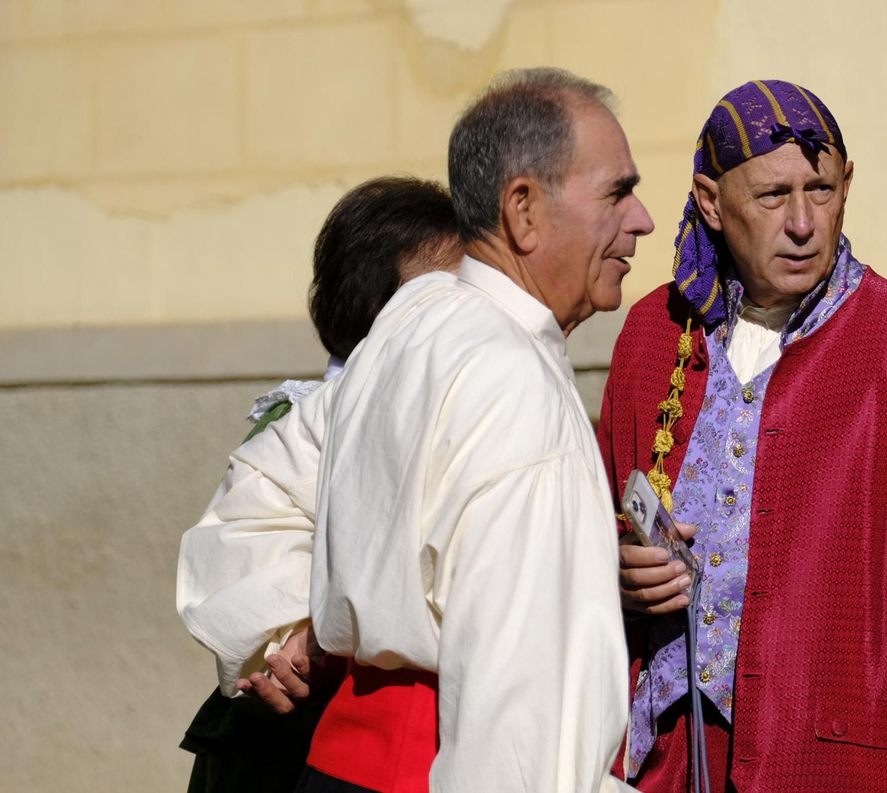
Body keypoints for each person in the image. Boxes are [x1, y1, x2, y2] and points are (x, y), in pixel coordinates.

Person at [178, 67, 653, 793]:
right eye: (617, 191)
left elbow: (273, 474)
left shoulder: (415, 318)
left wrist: (274, 622)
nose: (643, 219)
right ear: (523, 209)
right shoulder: (509, 380)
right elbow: (518, 707)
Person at [597, 80, 887, 792]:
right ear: (711, 202)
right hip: (664, 761)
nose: (804, 222)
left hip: (831, 765)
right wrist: (614, 572)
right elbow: (589, 532)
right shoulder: (655, 335)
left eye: (823, 189)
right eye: (773, 196)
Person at [178, 175, 462, 793]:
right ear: (380, 307)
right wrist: (290, 639)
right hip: (289, 750)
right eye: (444, 293)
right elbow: (241, 548)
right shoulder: (312, 416)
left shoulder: (463, 402)